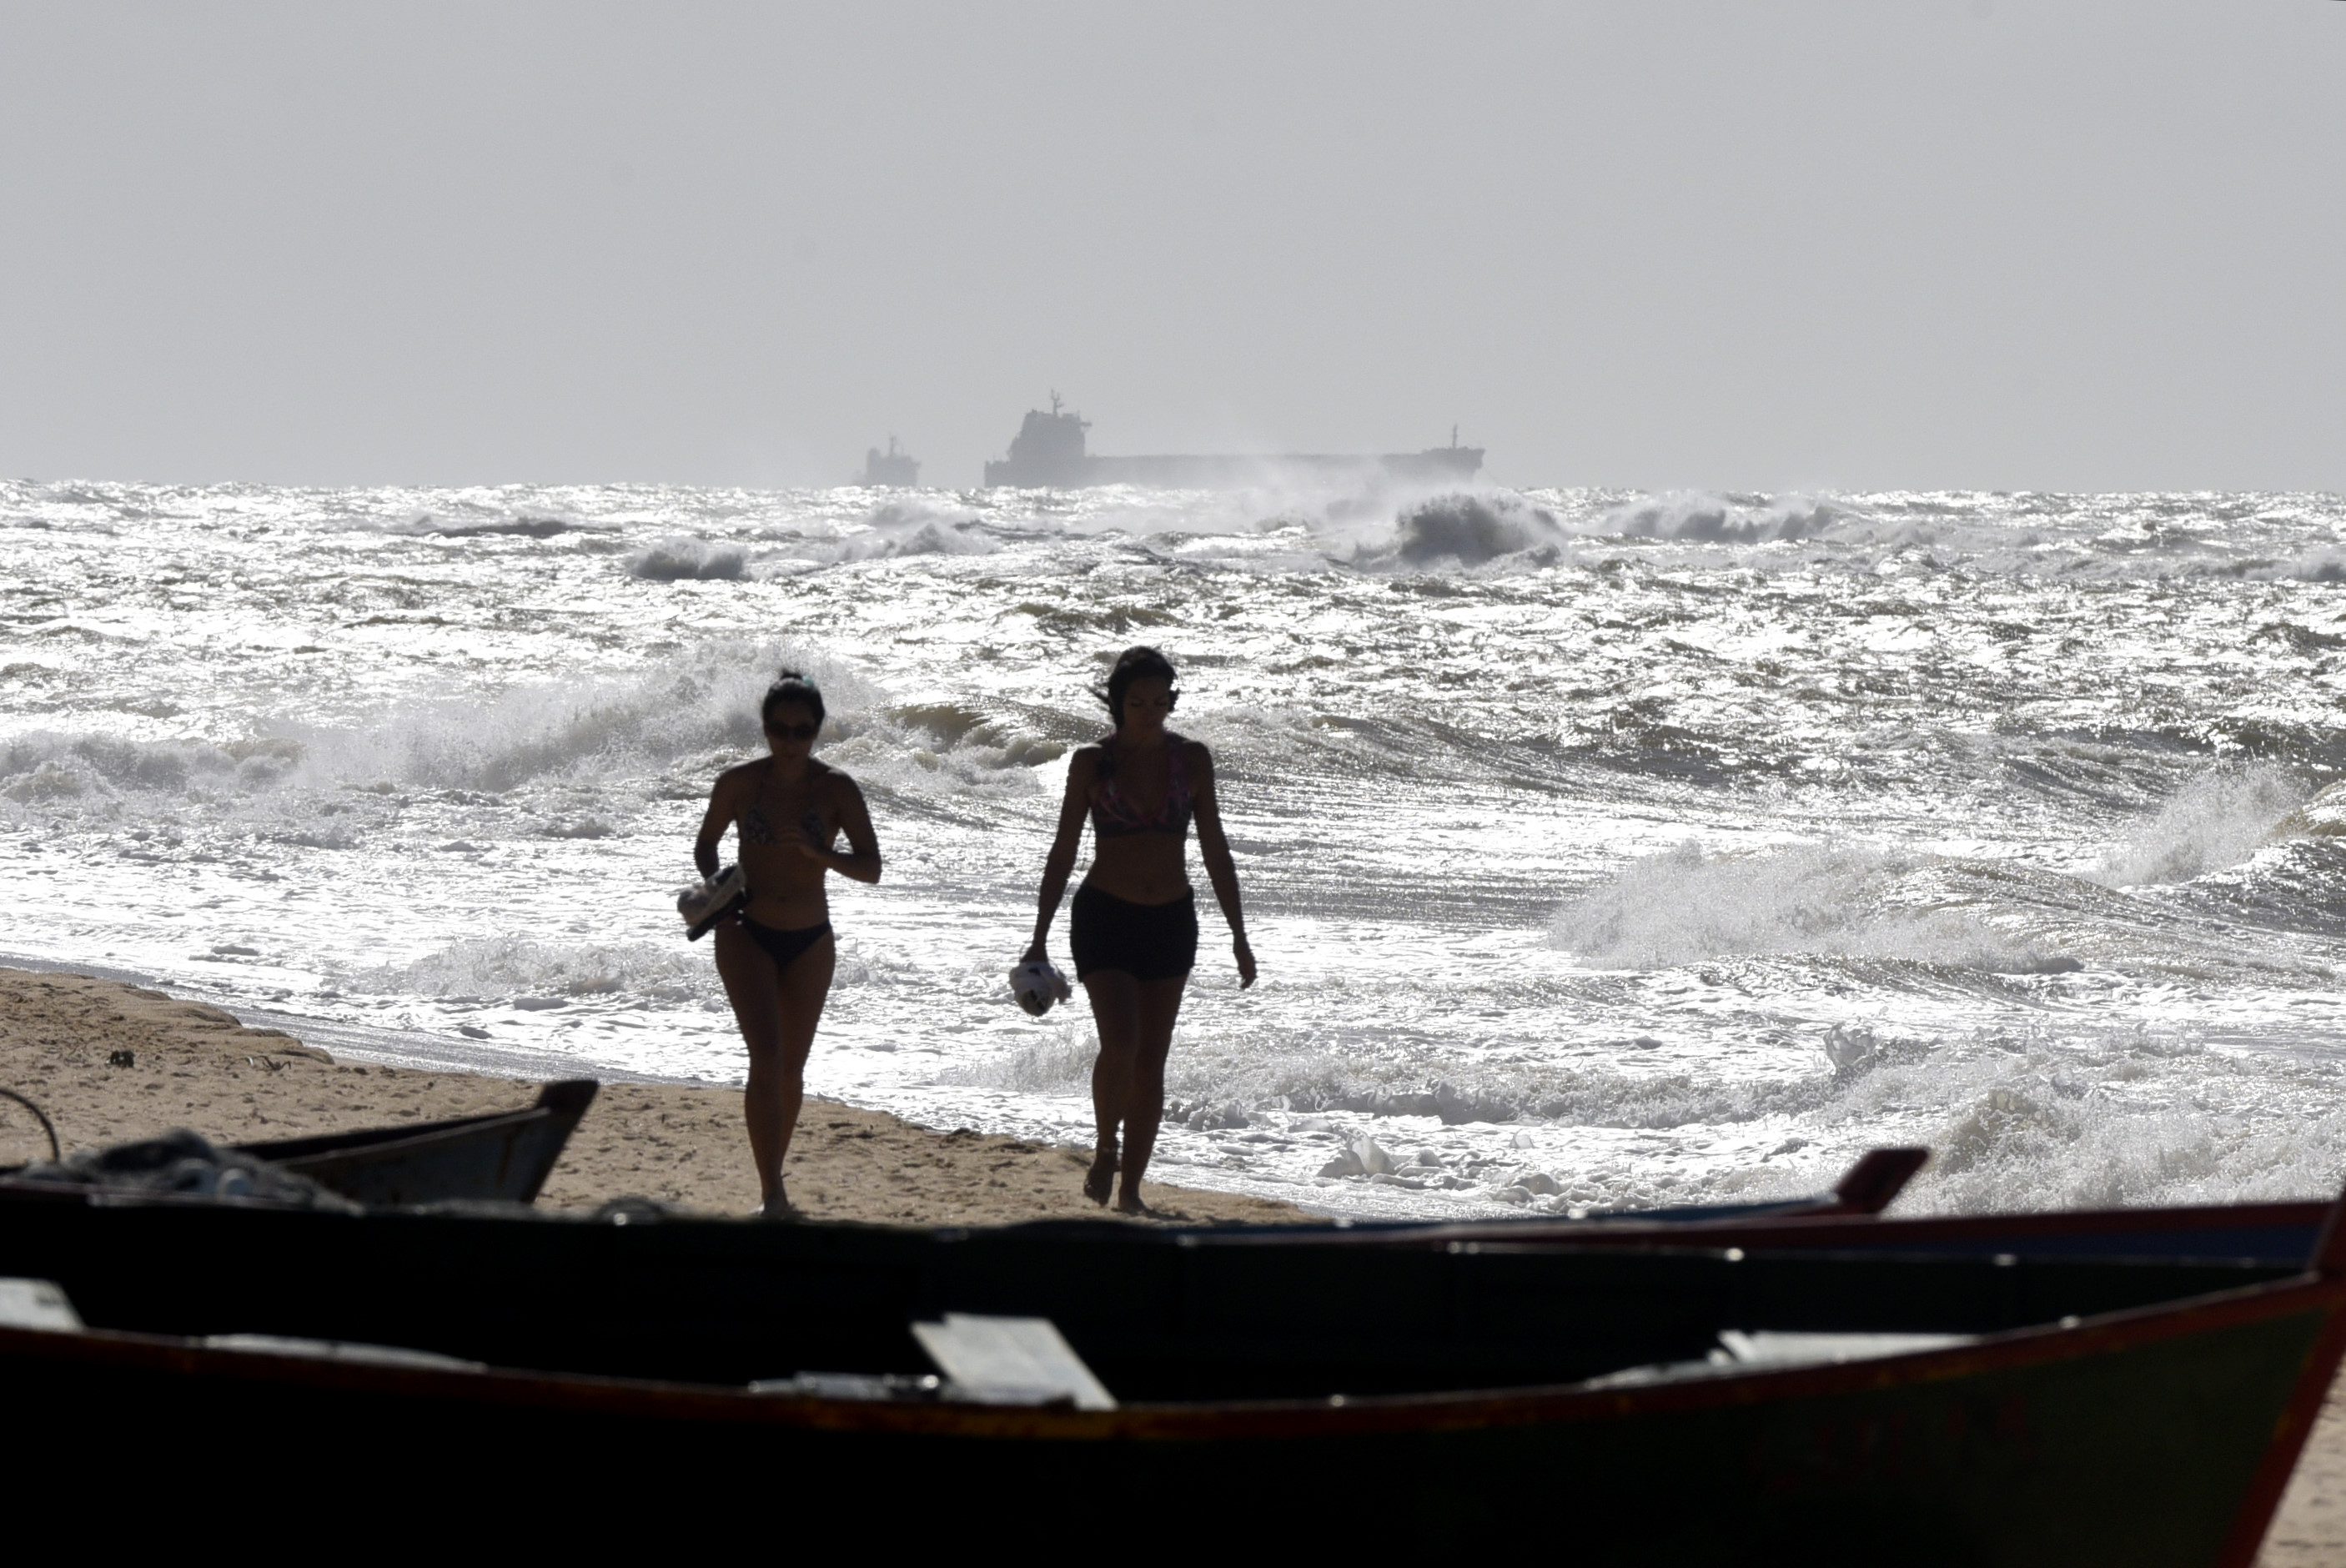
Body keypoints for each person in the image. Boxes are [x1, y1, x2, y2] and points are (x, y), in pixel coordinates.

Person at [1023, 646, 1255, 1214]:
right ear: (1117, 704)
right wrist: (1038, 935)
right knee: (1121, 1043)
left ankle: (1130, 1191)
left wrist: (1239, 933)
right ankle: (1107, 1145)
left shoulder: (1192, 761)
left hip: (1171, 921)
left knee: (1151, 1061)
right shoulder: (1091, 763)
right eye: (1136, 702)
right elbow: (1062, 851)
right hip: (1105, 915)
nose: (1149, 712)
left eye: (1159, 701)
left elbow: (1215, 848)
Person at [692, 672, 881, 1218]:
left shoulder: (837, 789)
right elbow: (706, 844)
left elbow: (871, 868)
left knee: (791, 1069)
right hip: (744, 931)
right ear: (766, 729)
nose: (790, 741)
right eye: (779, 729)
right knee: (767, 1058)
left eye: (801, 731)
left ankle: (773, 1181)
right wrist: (718, 892)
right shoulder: (737, 782)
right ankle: (772, 1191)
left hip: (810, 938)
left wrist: (821, 855)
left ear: (817, 731)